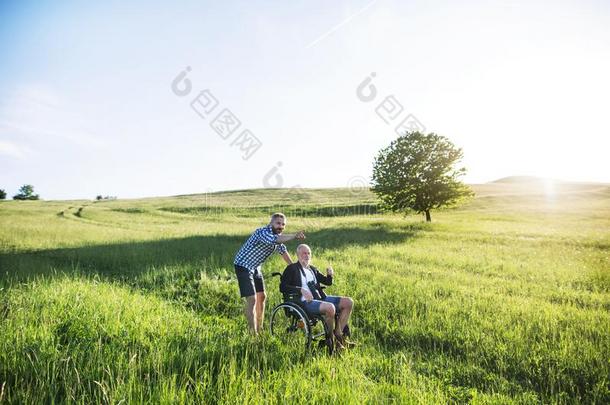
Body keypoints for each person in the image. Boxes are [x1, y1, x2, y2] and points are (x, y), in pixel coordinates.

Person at [234, 213, 305, 334]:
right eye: (278, 223)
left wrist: (294, 268)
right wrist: (294, 236)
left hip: (255, 267)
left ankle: (260, 328)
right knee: (252, 299)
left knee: (262, 297)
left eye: (283, 224)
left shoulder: (278, 236)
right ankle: (253, 333)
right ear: (271, 223)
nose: (281, 226)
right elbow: (275, 240)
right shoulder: (262, 232)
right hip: (243, 265)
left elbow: (282, 250)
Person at [280, 244, 354, 352]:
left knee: (348, 302)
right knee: (330, 308)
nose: (307, 255)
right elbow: (283, 287)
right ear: (298, 254)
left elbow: (327, 282)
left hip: (320, 298)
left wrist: (330, 275)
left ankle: (338, 333)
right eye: (304, 253)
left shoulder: (312, 269)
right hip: (304, 302)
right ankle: (330, 340)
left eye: (308, 253)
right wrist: (300, 289)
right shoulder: (292, 269)